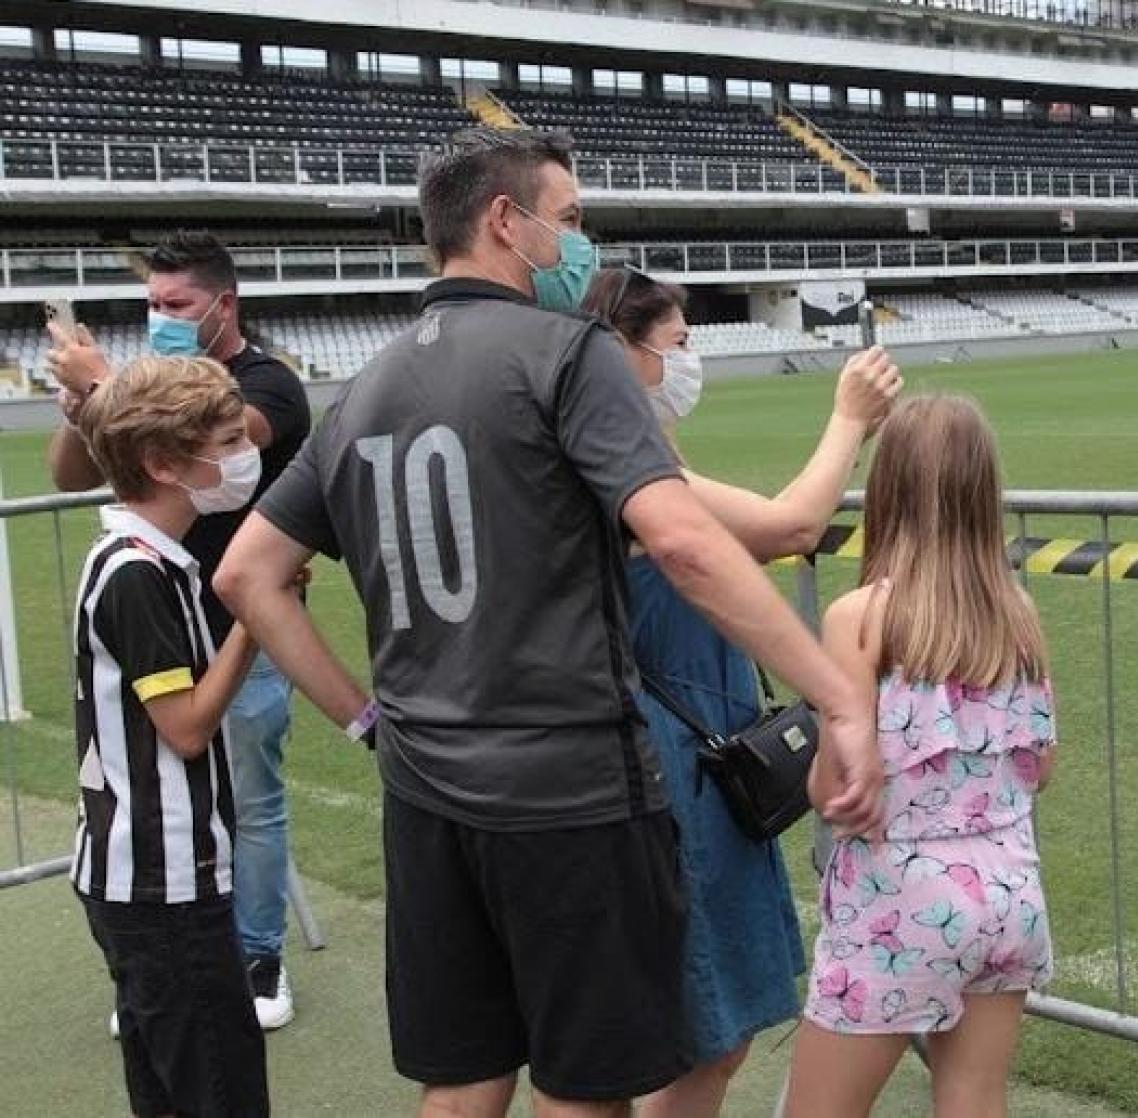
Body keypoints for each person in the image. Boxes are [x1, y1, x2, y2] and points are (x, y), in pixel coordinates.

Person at [213, 127, 883, 1118]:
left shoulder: (361, 391)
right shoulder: (564, 353)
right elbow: (691, 546)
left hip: (427, 790)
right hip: (568, 789)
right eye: (567, 219)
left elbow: (245, 574)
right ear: (503, 222)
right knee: (585, 1084)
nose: (577, 242)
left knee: (465, 1075)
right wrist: (836, 697)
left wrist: (365, 719)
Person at [580, 266, 901, 1118]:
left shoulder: (631, 462)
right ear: (624, 352)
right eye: (678, 345)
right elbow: (790, 525)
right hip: (676, 776)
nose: (689, 364)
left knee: (694, 1028)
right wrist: (850, 419)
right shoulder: (627, 478)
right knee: (705, 1030)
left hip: (683, 764)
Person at [45, 231, 310, 1031]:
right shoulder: (127, 560)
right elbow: (72, 473)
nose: (159, 316)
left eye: (176, 305)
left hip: (236, 625)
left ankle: (257, 957)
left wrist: (108, 391)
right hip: (157, 623)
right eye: (151, 304)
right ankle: (168, 959)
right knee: (157, 798)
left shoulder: (269, 385)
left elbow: (212, 434)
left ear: (221, 305)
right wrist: (83, 408)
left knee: (250, 805)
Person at [784, 395, 1058, 1118]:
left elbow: (834, 784)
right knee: (973, 1097)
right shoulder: (1018, 615)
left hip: (898, 900)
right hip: (1009, 892)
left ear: (887, 490)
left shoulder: (859, 617)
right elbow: (1042, 766)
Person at [70, 355, 269, 1118]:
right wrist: (255, 619)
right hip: (162, 882)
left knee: (171, 1092)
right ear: (161, 462)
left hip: (148, 879)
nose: (240, 456)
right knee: (220, 1089)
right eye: (224, 441)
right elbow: (184, 728)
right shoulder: (134, 573)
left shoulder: (151, 563)